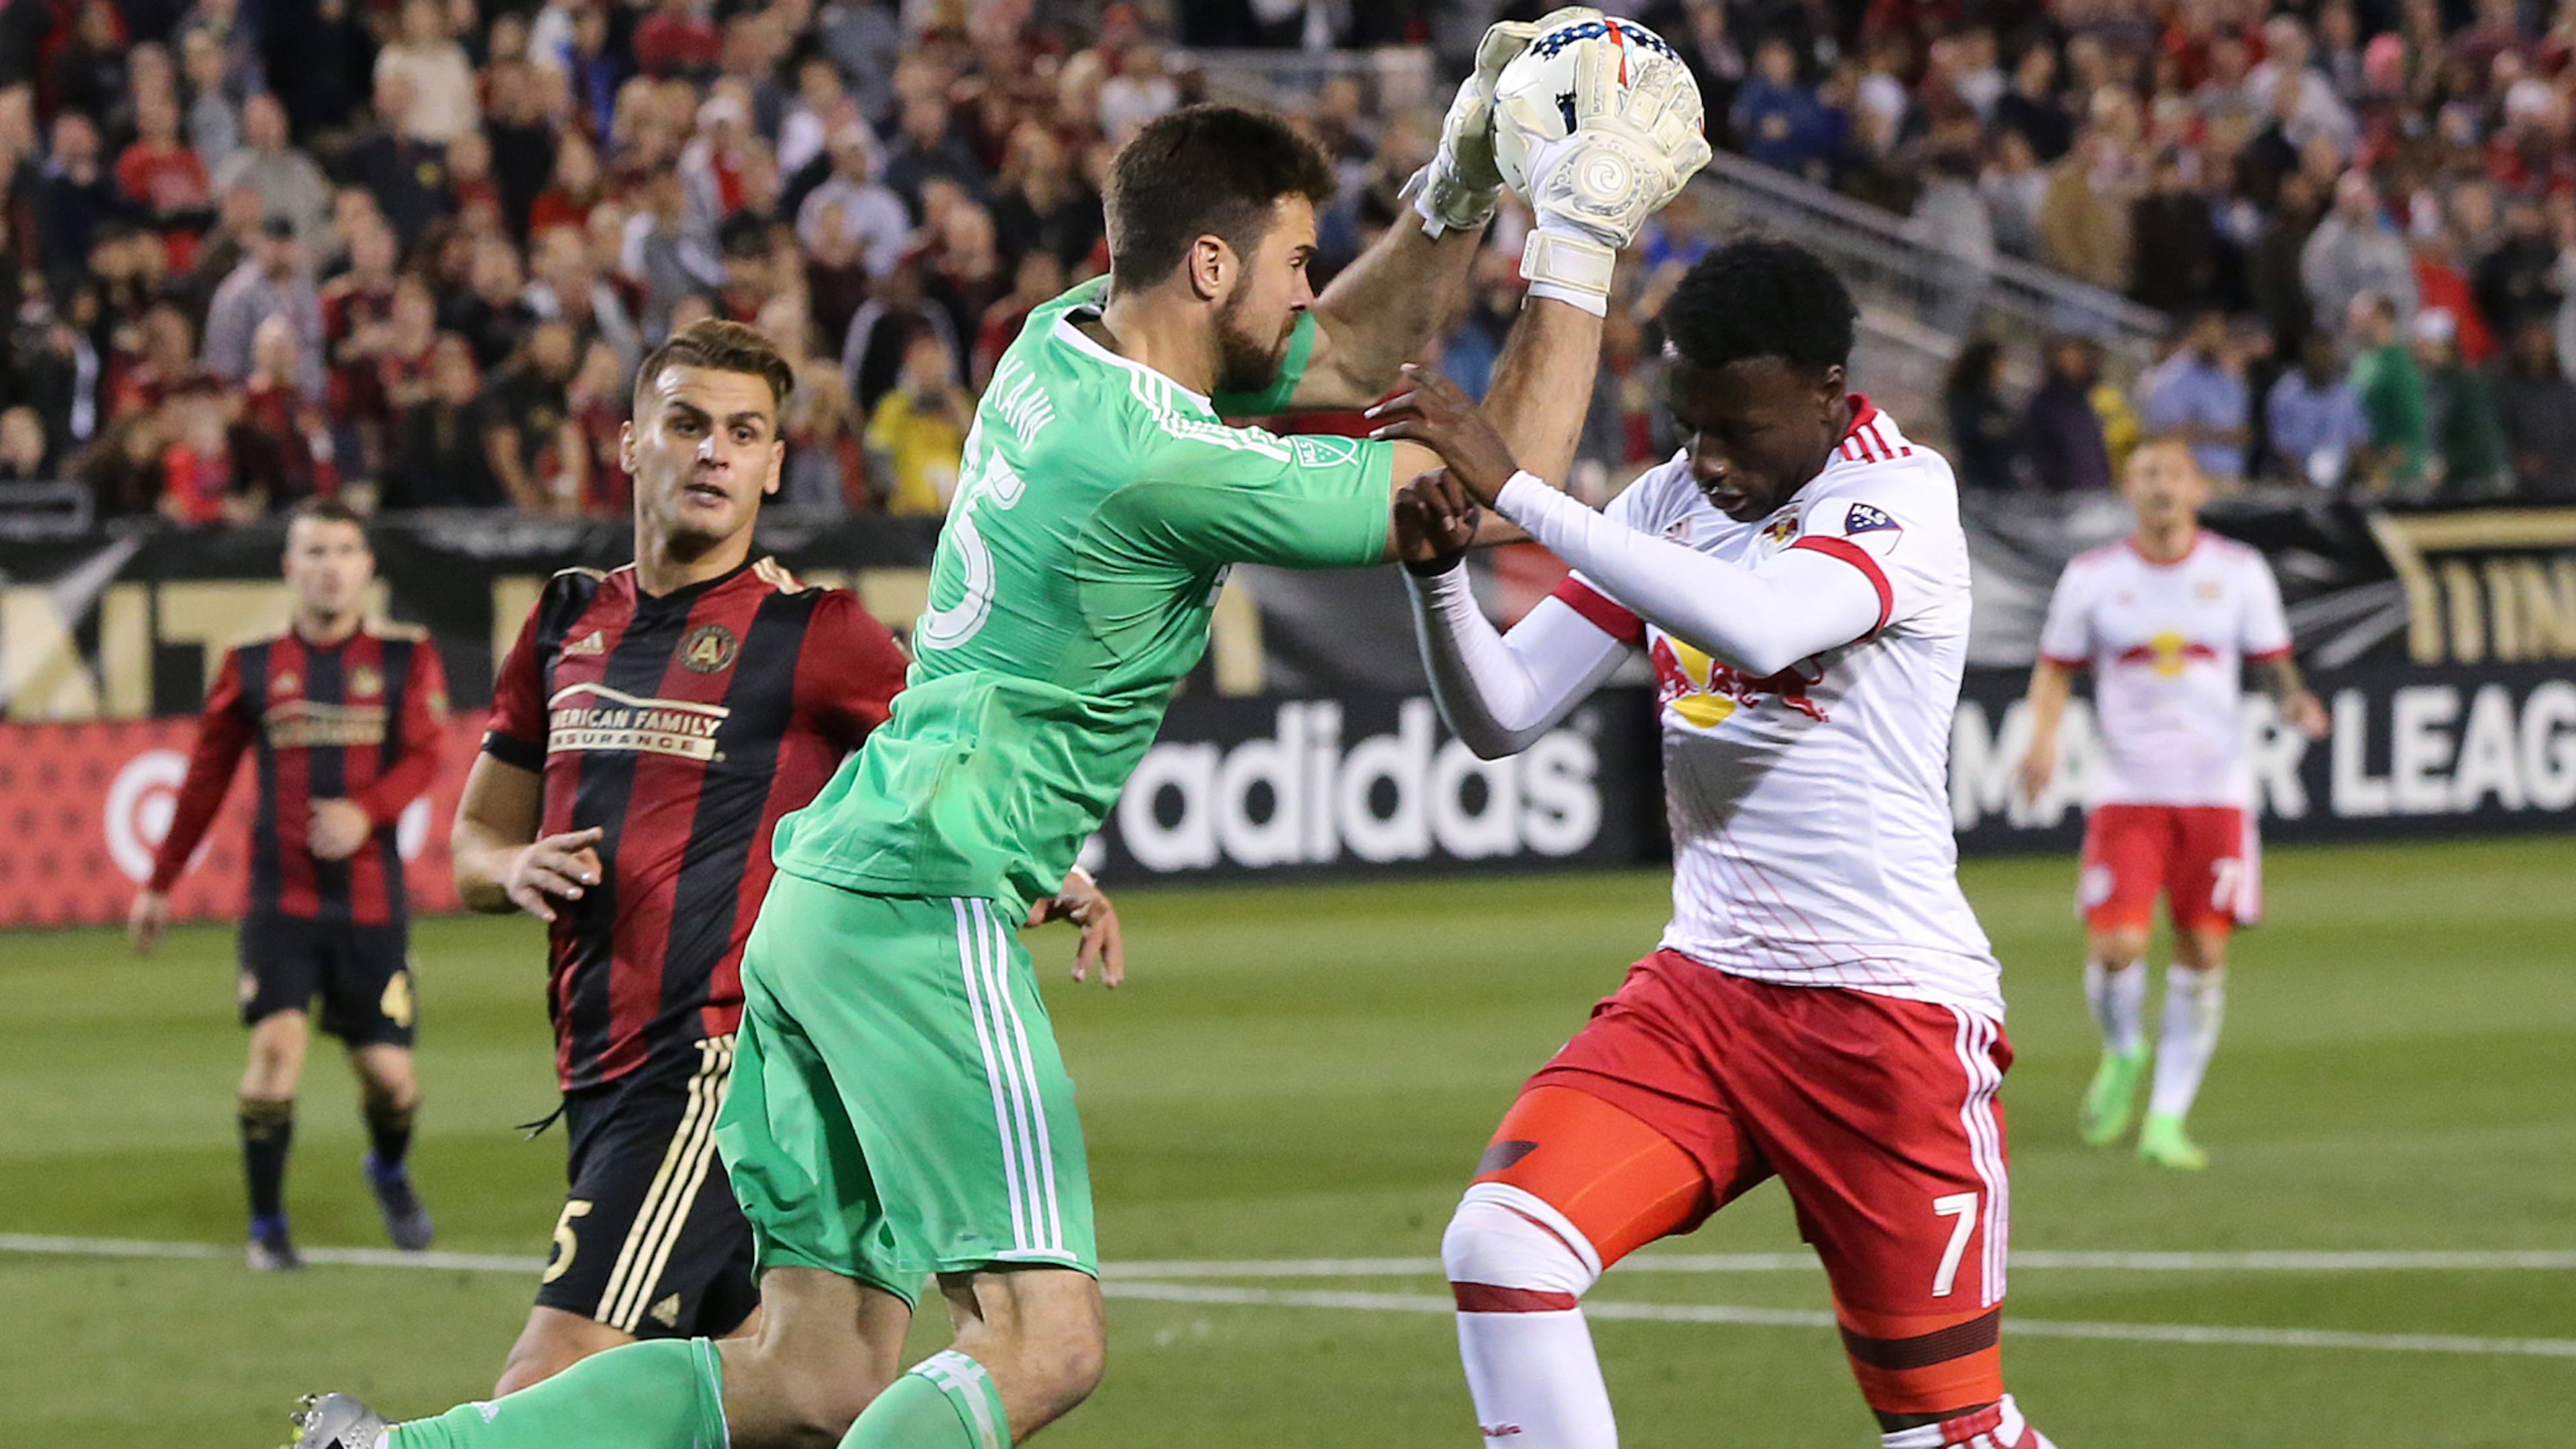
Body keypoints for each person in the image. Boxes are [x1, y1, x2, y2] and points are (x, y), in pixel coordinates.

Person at [292, 19, 1711, 1446]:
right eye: (1290, 258)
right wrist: (1577, 238)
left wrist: (1456, 187)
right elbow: (1494, 486)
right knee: (1044, 1346)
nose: (1305, 289)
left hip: (825, 896)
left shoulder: (1063, 340)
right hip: (928, 897)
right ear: (1208, 268)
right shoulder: (1155, 458)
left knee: (810, 1374)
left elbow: (1339, 348)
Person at [1388, 239, 2061, 1449]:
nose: (1708, 460)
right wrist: (1439, 583)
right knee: (1502, 1246)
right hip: (1705, 994)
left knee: (1947, 1432)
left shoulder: (1901, 498)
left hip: (1883, 1020)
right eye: (1689, 425)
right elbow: (1504, 713)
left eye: (1738, 430)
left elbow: (1763, 627)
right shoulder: (1669, 504)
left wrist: (1518, 493)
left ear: (1828, 392)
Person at [443, 319, 1120, 1395]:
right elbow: (473, 842)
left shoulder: (815, 631)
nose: (714, 451)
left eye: (744, 432)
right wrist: (511, 869)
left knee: (552, 1376)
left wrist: (1052, 872)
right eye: (687, 424)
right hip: (600, 1067)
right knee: (790, 1399)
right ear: (630, 443)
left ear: (771, 466)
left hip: (711, 1064)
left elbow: (945, 770)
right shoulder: (567, 618)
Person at [127, 497, 449, 1270]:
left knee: (390, 1081)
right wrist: (161, 880)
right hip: (281, 901)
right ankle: (267, 1229)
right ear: (290, 567)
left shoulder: (404, 656)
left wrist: (366, 811)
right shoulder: (251, 662)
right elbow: (205, 778)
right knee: (275, 1053)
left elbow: (425, 757)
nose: (330, 567)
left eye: (343, 551)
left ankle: (388, 1169)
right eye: (314, 552)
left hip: (371, 904)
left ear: (366, 566)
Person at [2017, 438, 2328, 1171]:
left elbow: (2272, 661)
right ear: (2128, 489)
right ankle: (2124, 1049)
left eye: (2175, 475)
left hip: (2215, 792)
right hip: (2127, 788)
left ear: (2198, 490)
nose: (2162, 486)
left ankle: (2167, 1117)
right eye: (2148, 474)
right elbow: (2055, 670)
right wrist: (2042, 741)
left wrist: (2294, 701)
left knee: (2204, 950)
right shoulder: (2094, 577)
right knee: (2118, 946)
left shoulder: (2238, 571)